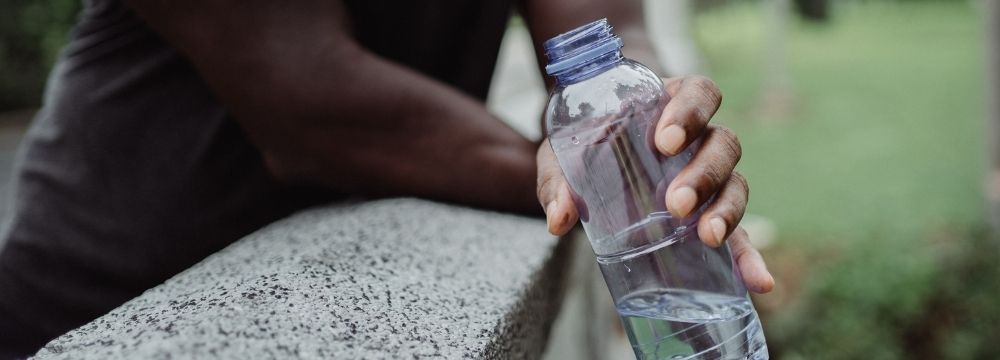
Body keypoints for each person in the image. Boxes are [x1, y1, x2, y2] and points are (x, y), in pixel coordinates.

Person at [0, 0, 774, 357]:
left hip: (345, 277)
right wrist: (603, 187)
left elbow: (606, 38)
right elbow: (309, 104)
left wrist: (661, 131)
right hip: (112, 298)